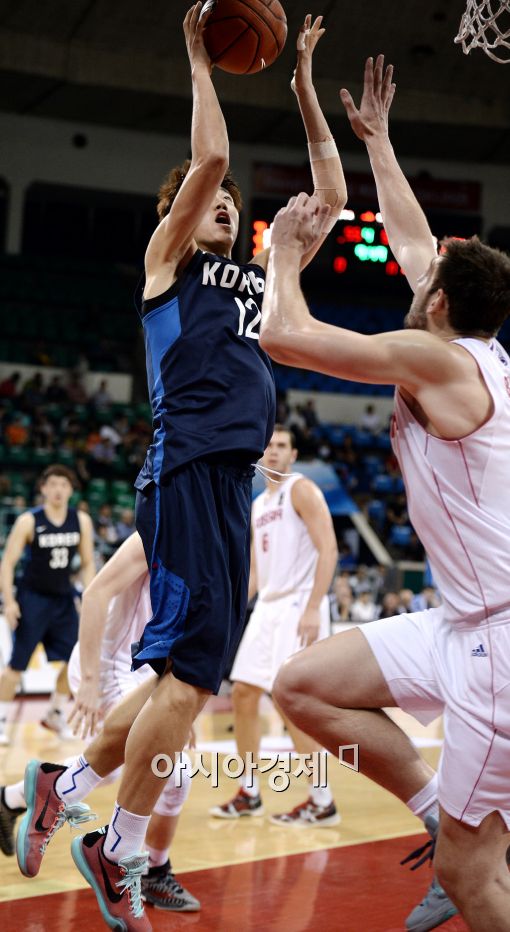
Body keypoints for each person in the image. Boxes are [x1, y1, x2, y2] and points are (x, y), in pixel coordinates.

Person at [15, 6, 346, 930]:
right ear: (177, 218)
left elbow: (326, 192)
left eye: (235, 199)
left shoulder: (266, 272)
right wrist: (200, 58)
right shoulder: (167, 268)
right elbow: (205, 164)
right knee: (194, 686)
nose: (225, 201)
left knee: (178, 684)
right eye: (209, 199)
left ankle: (61, 785)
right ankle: (115, 849)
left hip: (228, 485)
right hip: (190, 465)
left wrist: (307, 92)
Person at [259, 55, 510, 932]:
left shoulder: (435, 358)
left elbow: (286, 338)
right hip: (461, 622)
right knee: (302, 685)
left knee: (474, 877)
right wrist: (380, 142)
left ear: (437, 304)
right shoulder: (466, 348)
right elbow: (411, 239)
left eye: (426, 279)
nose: (415, 273)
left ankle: (458, 848)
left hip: (500, 644)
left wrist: (281, 255)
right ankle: (438, 809)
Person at [8, 532, 199, 912]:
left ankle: (12, 798)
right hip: (109, 663)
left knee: (130, 771)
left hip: (146, 671)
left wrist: (178, 707)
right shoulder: (157, 531)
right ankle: (151, 872)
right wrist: (91, 683)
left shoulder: (207, 540)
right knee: (169, 773)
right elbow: (95, 594)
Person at [211, 426, 338, 825]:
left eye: (281, 446)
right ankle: (249, 792)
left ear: (294, 454)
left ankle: (322, 801)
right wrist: (233, 608)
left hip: (300, 605)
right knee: (244, 695)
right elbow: (255, 569)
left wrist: (315, 606)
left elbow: (328, 548)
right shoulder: (258, 502)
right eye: (267, 446)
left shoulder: (300, 489)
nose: (273, 453)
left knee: (291, 705)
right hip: (268, 606)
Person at [0, 464, 95, 744]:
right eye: (52, 484)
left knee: (74, 661)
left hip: (63, 600)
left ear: (71, 490)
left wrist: (89, 595)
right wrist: (10, 601)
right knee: (16, 666)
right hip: (33, 599)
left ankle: (54, 713)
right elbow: (7, 563)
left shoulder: (81, 521)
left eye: (63, 485)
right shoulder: (29, 521)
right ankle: (2, 720)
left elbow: (88, 562)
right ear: (43, 488)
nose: (58, 490)